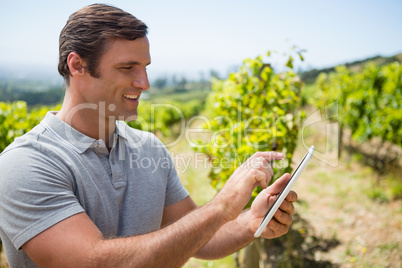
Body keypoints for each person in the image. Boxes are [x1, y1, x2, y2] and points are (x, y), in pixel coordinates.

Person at [0, 4, 298, 267]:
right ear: (77, 65)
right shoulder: (24, 164)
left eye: (144, 67)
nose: (144, 83)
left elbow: (198, 238)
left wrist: (250, 222)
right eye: (127, 67)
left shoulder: (149, 149)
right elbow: (90, 263)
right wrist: (221, 207)